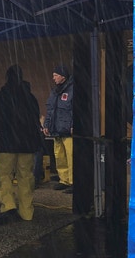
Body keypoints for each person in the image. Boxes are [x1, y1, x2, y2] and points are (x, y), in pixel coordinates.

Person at [0, 65, 41, 225]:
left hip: (6, 145)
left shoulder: (1, 97)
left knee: (4, 176)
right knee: (26, 177)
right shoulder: (30, 98)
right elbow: (35, 121)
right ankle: (26, 212)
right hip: (27, 145)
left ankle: (8, 207)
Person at [43, 64, 74, 193]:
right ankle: (64, 180)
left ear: (63, 76)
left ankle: (73, 182)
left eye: (55, 75)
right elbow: (50, 109)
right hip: (56, 130)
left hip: (68, 130)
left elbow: (76, 110)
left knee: (71, 157)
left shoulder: (72, 90)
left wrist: (74, 124)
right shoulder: (55, 91)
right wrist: (46, 125)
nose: (53, 78)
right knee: (60, 156)